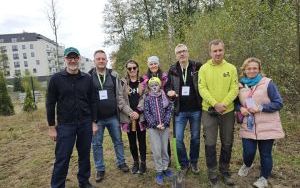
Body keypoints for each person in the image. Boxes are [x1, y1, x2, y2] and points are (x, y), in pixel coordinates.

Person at [46, 47, 96, 188]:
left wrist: (93, 122)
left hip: (85, 123)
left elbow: (93, 101)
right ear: (65, 59)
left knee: (84, 156)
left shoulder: (87, 78)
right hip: (65, 125)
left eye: (75, 58)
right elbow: (50, 103)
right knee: (62, 158)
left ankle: (84, 182)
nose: (72, 60)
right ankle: (57, 185)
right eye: (70, 58)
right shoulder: (56, 79)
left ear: (79, 59)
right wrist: (51, 127)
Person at [236, 57, 284, 188]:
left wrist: (261, 108)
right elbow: (235, 102)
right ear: (244, 70)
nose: (251, 71)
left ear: (259, 70)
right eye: (249, 68)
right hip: (249, 125)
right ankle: (247, 164)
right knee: (248, 152)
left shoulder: (268, 83)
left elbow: (279, 103)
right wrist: (241, 108)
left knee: (265, 154)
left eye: (254, 68)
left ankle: (263, 178)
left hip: (267, 125)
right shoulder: (240, 84)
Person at [198, 39, 238, 187]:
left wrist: (224, 104)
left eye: (220, 50)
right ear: (210, 52)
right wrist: (215, 104)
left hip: (227, 111)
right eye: (214, 51)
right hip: (209, 111)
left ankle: (225, 170)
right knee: (210, 142)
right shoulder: (203, 68)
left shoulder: (231, 68)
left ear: (224, 50)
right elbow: (202, 88)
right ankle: (212, 172)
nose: (217, 53)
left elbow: (234, 89)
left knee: (227, 141)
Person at [90, 50, 129, 183]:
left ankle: (121, 162)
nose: (101, 61)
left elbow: (119, 94)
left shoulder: (113, 75)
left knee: (118, 141)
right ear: (94, 61)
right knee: (96, 144)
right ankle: (100, 169)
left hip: (113, 116)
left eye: (103, 59)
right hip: (97, 119)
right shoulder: (88, 76)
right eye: (98, 59)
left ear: (107, 61)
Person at [165, 44, 202, 174]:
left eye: (184, 51)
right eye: (179, 52)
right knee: (178, 139)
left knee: (195, 137)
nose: (182, 54)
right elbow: (167, 86)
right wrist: (169, 91)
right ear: (176, 55)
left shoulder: (197, 66)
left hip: (196, 109)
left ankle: (194, 161)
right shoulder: (172, 69)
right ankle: (184, 163)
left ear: (188, 52)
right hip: (179, 110)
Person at [140, 55, 172, 163]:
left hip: (164, 108)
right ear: (148, 66)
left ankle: (167, 160)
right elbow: (144, 94)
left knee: (165, 139)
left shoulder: (164, 76)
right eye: (151, 64)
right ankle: (159, 162)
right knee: (156, 141)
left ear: (158, 64)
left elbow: (168, 89)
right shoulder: (145, 78)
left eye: (155, 63)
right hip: (152, 108)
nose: (153, 65)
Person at [119, 59, 147, 174]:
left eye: (134, 68)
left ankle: (143, 163)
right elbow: (120, 99)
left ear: (137, 68)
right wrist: (130, 113)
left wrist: (138, 111)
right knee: (132, 142)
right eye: (129, 68)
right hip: (128, 117)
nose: (132, 70)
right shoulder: (122, 82)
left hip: (140, 117)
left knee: (142, 141)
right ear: (127, 70)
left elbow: (145, 97)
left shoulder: (144, 81)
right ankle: (135, 162)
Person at [144, 77, 173, 185]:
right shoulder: (147, 98)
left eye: (156, 84)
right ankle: (159, 171)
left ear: (160, 85)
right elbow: (146, 112)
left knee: (164, 149)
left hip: (164, 127)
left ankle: (165, 168)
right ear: (149, 87)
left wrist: (165, 123)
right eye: (152, 85)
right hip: (153, 128)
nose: (154, 87)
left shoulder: (164, 96)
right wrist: (155, 124)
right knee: (157, 149)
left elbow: (170, 109)